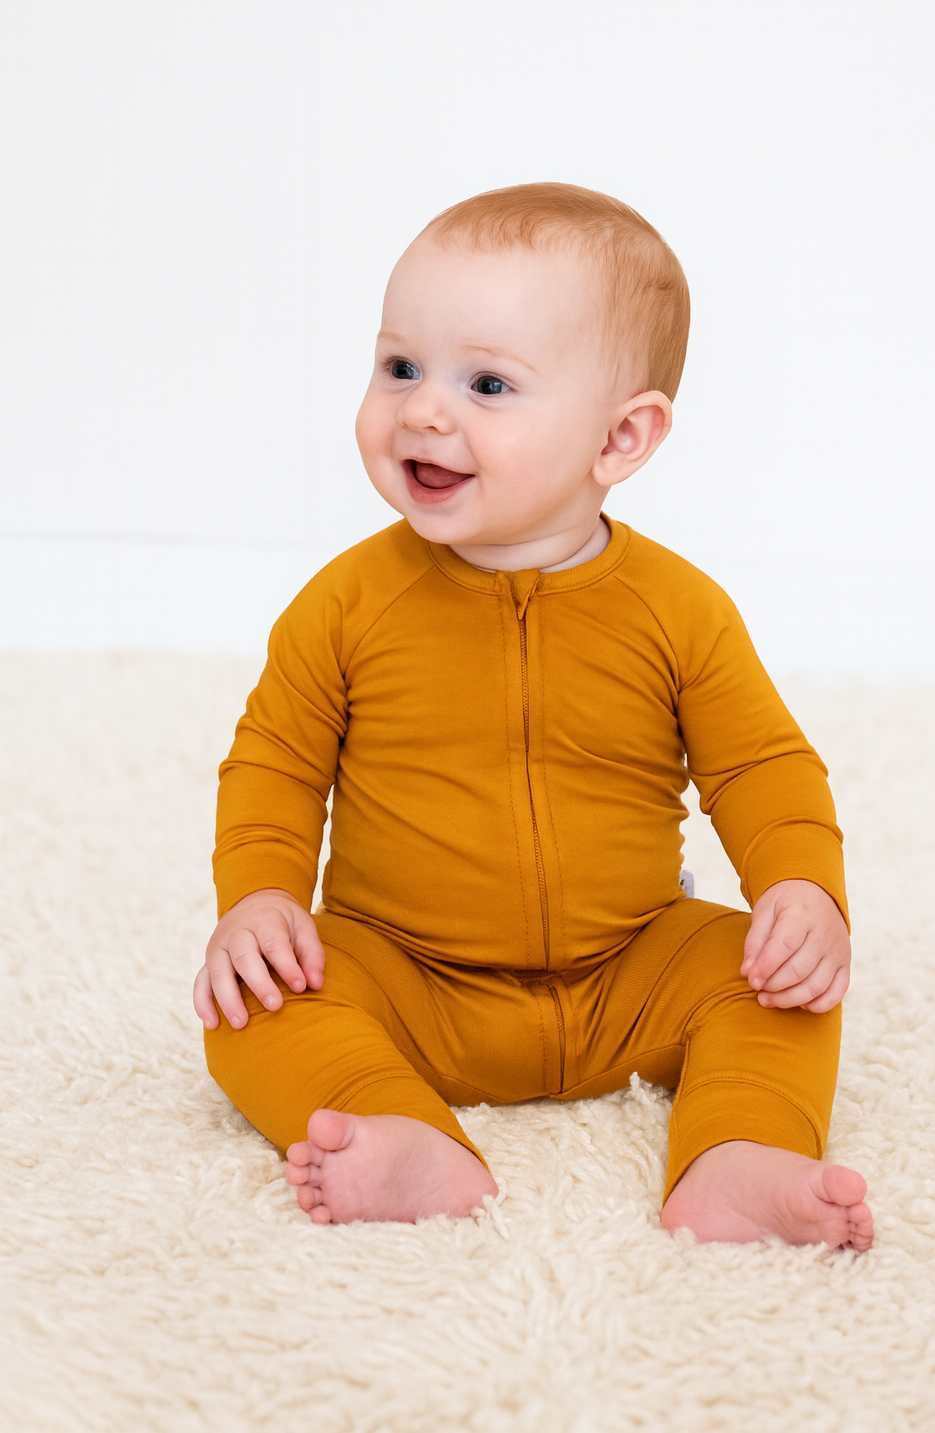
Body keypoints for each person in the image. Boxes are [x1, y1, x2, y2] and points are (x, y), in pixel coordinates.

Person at [193, 182, 873, 1249]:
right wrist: (260, 899)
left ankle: (738, 1155)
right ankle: (399, 1131)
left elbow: (760, 765)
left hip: (629, 968)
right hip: (405, 973)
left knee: (779, 986)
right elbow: (275, 763)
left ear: (621, 437)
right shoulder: (347, 604)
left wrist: (802, 890)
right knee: (252, 1007)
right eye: (400, 367)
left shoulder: (677, 609)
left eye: (488, 384)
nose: (424, 411)